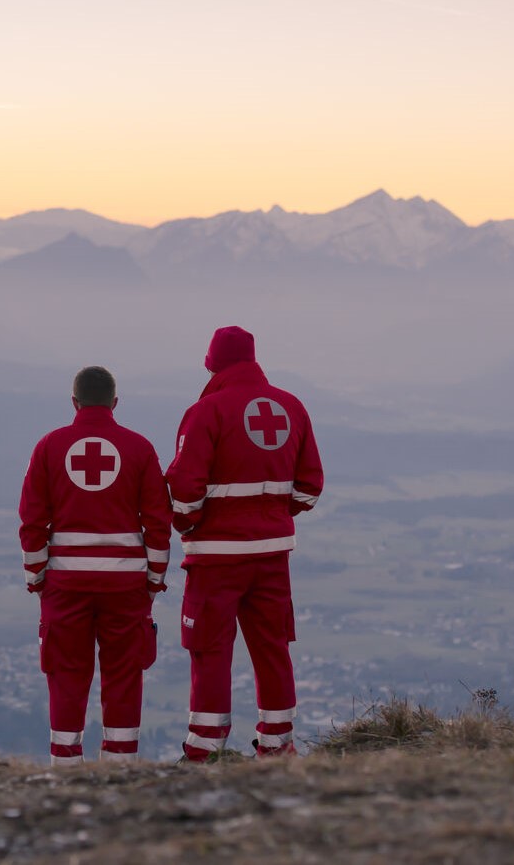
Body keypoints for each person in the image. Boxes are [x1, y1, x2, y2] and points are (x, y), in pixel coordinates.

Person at [165, 326, 323, 761]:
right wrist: (270, 515)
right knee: (272, 647)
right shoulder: (292, 407)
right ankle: (277, 744)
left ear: (212, 363)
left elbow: (184, 491)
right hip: (273, 554)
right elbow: (310, 487)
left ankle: (204, 748)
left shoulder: (206, 411)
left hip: (215, 558)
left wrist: (190, 524)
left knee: (209, 650)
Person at [18, 365, 172, 764]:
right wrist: (154, 579)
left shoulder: (48, 446)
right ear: (115, 403)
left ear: (74, 402)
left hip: (65, 585)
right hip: (126, 587)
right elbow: (158, 521)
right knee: (124, 673)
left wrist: (37, 577)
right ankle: (120, 766)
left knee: (66, 675)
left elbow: (32, 521)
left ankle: (65, 766)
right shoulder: (139, 448)